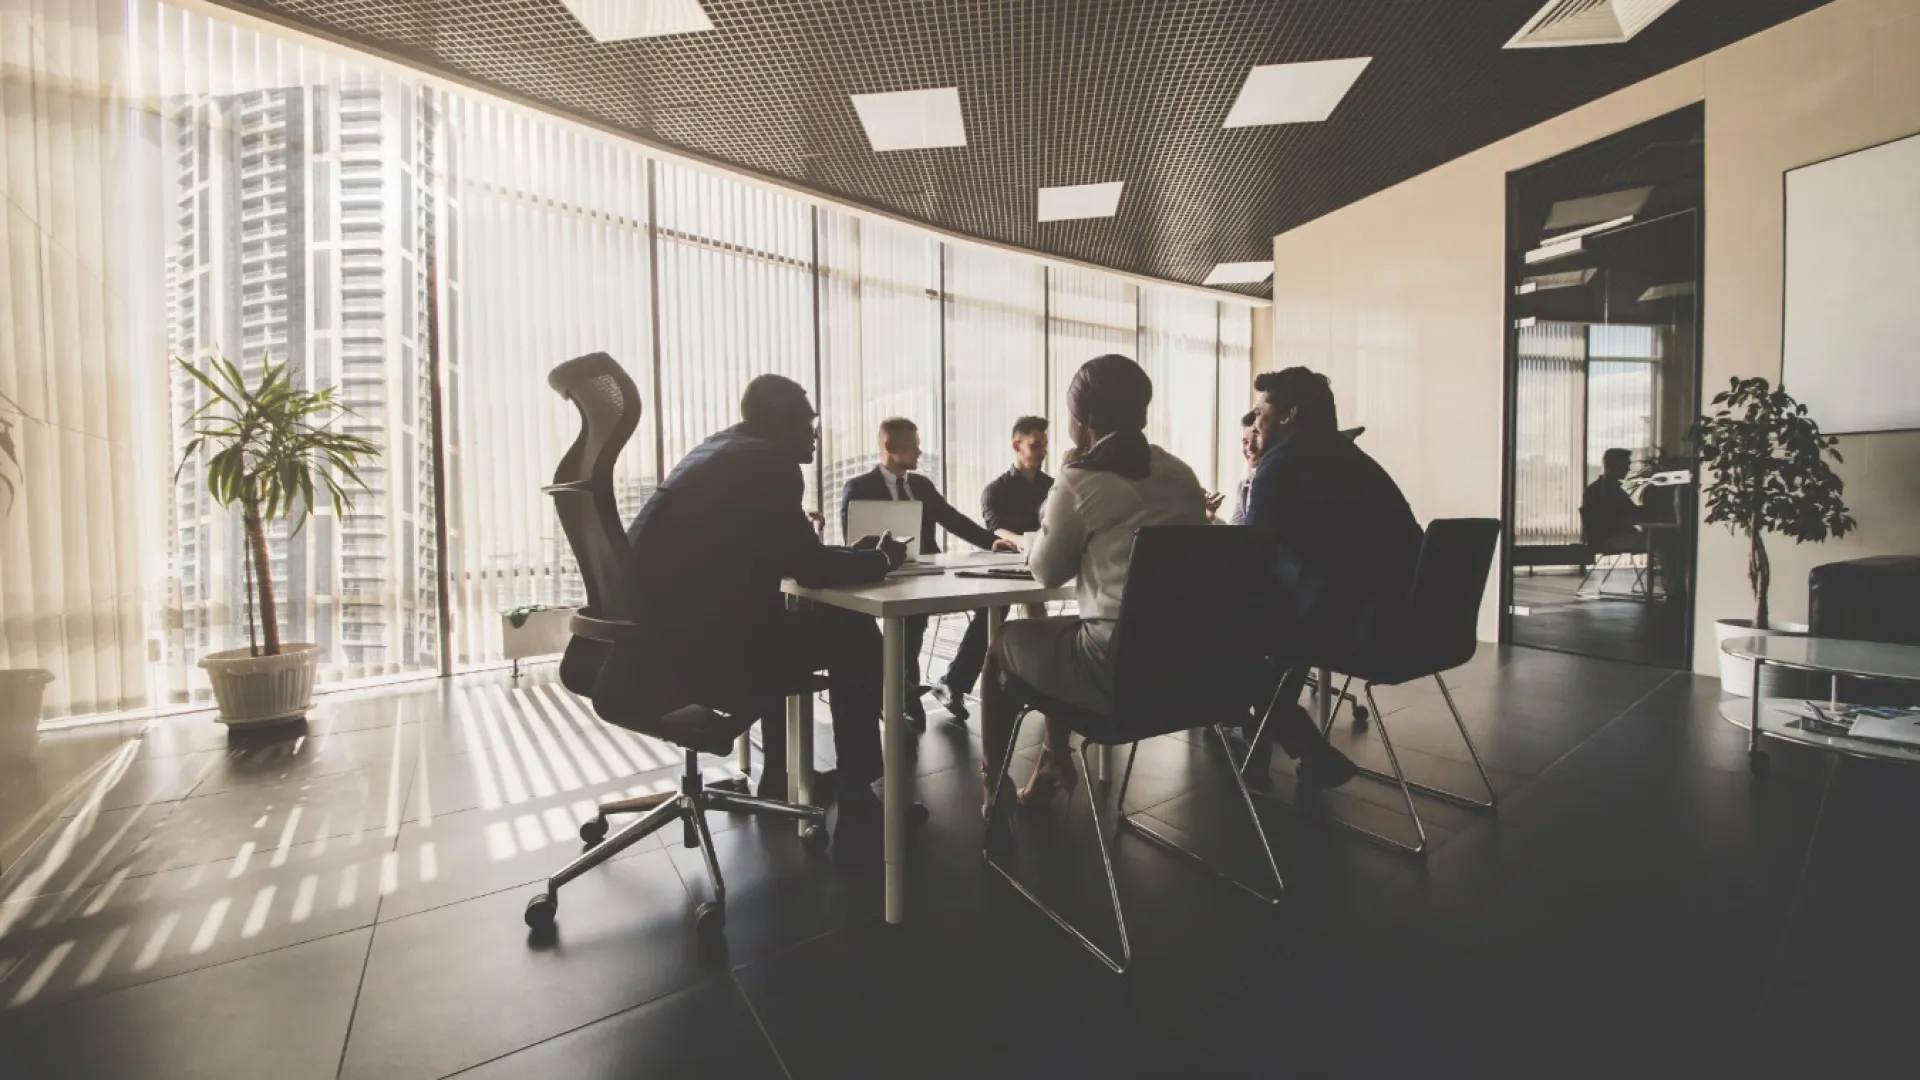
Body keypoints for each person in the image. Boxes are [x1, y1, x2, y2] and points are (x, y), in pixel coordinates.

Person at [624, 374, 914, 844]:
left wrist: (848, 556)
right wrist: (882, 560)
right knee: (854, 629)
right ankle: (859, 803)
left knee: (796, 617)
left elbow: (788, 554)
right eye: (807, 421)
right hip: (697, 650)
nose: (815, 433)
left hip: (651, 638)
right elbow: (809, 569)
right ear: (779, 422)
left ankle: (779, 776)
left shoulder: (724, 451)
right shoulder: (771, 464)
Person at [984, 354, 1207, 809]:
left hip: (1115, 674)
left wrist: (1056, 498)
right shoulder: (1182, 475)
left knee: (1003, 644)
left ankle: (992, 788)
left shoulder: (1079, 479)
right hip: (1191, 668)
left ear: (1081, 419)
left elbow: (1046, 571)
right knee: (1066, 634)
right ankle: (1050, 759)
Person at [1238, 367, 1423, 789]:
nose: (1255, 421)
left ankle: (1277, 742)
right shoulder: (1359, 463)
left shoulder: (1279, 466)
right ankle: (1292, 747)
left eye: (1259, 411)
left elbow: (1250, 560)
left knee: (1228, 636)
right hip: (1407, 625)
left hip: (1354, 632)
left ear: (1287, 415)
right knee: (1275, 627)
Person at [840, 417, 1014, 729]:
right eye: (913, 445)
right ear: (890, 448)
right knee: (912, 617)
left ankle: (952, 682)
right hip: (884, 576)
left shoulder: (921, 485)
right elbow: (851, 542)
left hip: (928, 571)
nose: (920, 452)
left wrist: (992, 541)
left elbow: (953, 519)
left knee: (996, 603)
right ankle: (902, 692)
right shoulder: (859, 488)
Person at [931, 416, 1052, 721]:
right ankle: (955, 683)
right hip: (1005, 566)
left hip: (1041, 562)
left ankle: (1038, 684)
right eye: (1036, 444)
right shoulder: (995, 490)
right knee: (996, 612)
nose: (1043, 450)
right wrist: (1028, 542)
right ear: (1016, 445)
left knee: (1036, 616)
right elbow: (997, 530)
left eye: (1045, 444)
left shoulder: (1052, 487)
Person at [1584, 448, 1645, 550]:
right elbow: (1629, 515)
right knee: (1663, 539)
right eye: (1626, 464)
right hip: (1612, 539)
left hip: (1602, 539)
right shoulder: (1611, 490)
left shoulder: (1596, 487)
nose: (1629, 469)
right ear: (1616, 465)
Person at [1208, 410, 1260, 525]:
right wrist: (1210, 518)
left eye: (1256, 440)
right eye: (1245, 442)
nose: (1250, 448)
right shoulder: (1244, 486)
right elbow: (1235, 532)